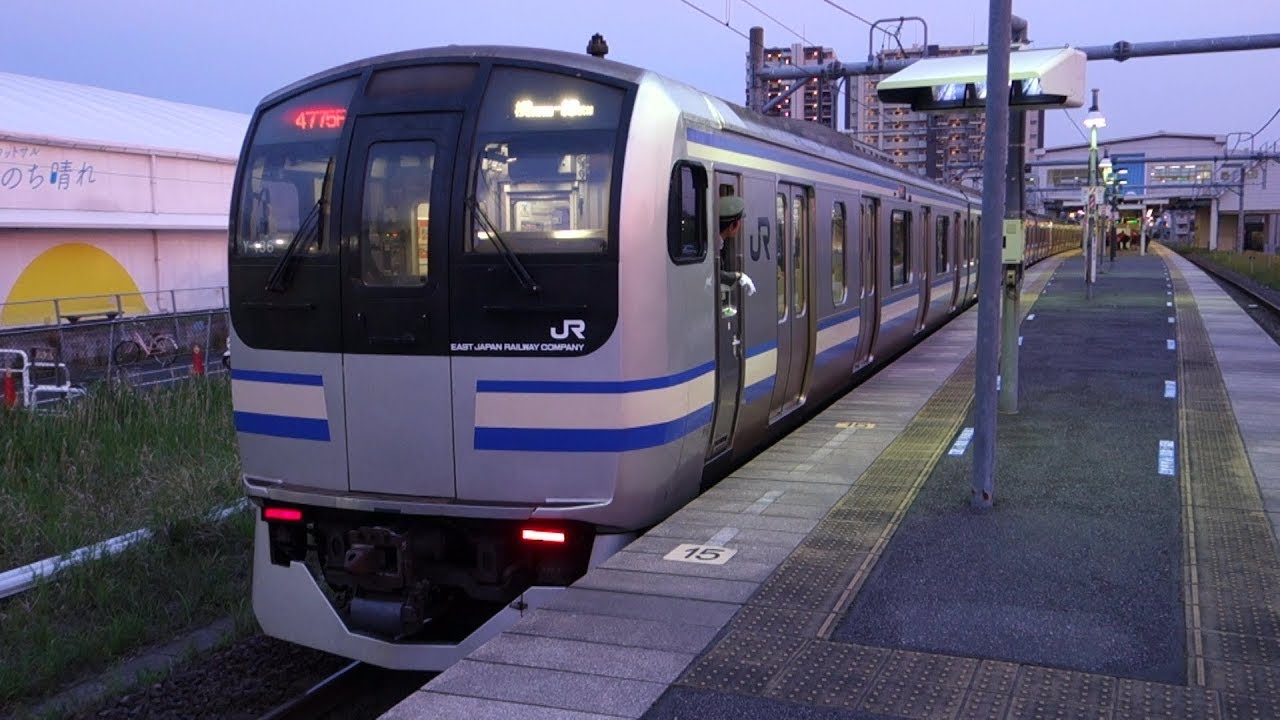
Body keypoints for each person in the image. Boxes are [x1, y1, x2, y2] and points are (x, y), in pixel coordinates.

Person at [717, 195, 756, 298]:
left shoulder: (719, 243)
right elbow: (715, 274)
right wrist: (739, 276)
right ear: (731, 227)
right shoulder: (713, 247)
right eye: (739, 223)